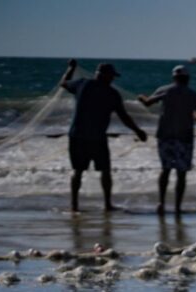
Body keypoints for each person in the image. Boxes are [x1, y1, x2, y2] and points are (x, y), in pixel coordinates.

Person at [60, 60, 147, 213]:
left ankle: (75, 205)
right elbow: (124, 117)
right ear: (105, 76)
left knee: (78, 171)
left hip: (77, 135)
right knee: (104, 170)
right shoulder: (112, 94)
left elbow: (64, 83)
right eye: (111, 76)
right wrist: (137, 131)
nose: (113, 79)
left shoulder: (82, 84)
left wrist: (71, 68)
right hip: (96, 138)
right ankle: (107, 205)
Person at [138, 65, 196, 216]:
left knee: (165, 170)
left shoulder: (165, 90)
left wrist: (141, 97)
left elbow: (148, 102)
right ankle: (177, 207)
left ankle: (161, 203)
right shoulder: (193, 94)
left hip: (165, 136)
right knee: (181, 173)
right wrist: (192, 115)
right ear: (187, 79)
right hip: (185, 137)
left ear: (173, 78)